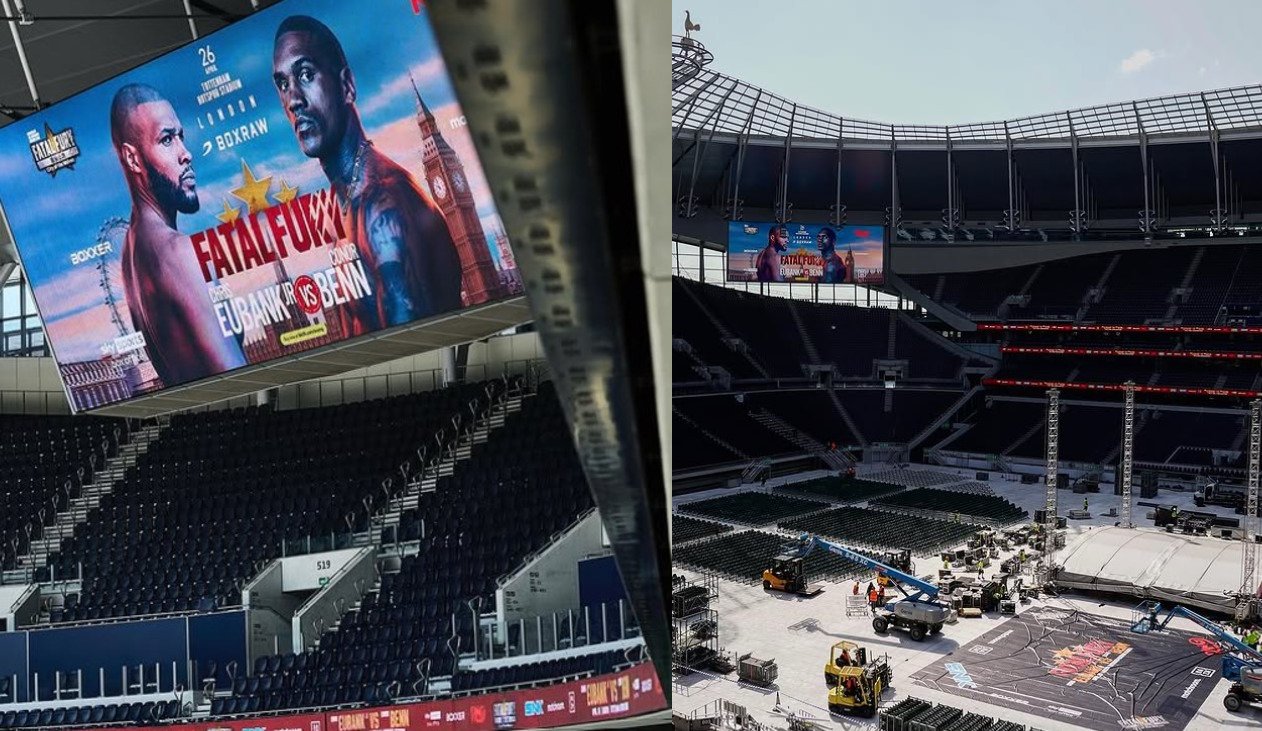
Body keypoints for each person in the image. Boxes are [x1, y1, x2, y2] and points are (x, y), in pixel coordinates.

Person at [271, 15, 463, 335]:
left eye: (305, 74)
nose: (293, 100)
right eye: (282, 83)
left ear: (346, 85)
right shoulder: (344, 204)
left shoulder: (383, 208)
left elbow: (416, 351)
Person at [111, 83, 247, 388]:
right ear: (133, 160)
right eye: (166, 139)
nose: (186, 154)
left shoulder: (131, 255)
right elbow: (238, 381)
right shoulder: (177, 252)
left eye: (181, 137)